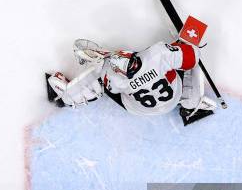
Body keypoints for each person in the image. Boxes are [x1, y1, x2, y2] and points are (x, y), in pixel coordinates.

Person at [46, 39, 216, 126]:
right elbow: (193, 55)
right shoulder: (158, 55)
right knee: (193, 62)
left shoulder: (115, 78)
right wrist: (178, 47)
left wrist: (103, 66)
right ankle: (192, 105)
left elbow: (112, 88)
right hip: (173, 97)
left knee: (98, 76)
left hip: (139, 109)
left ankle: (70, 97)